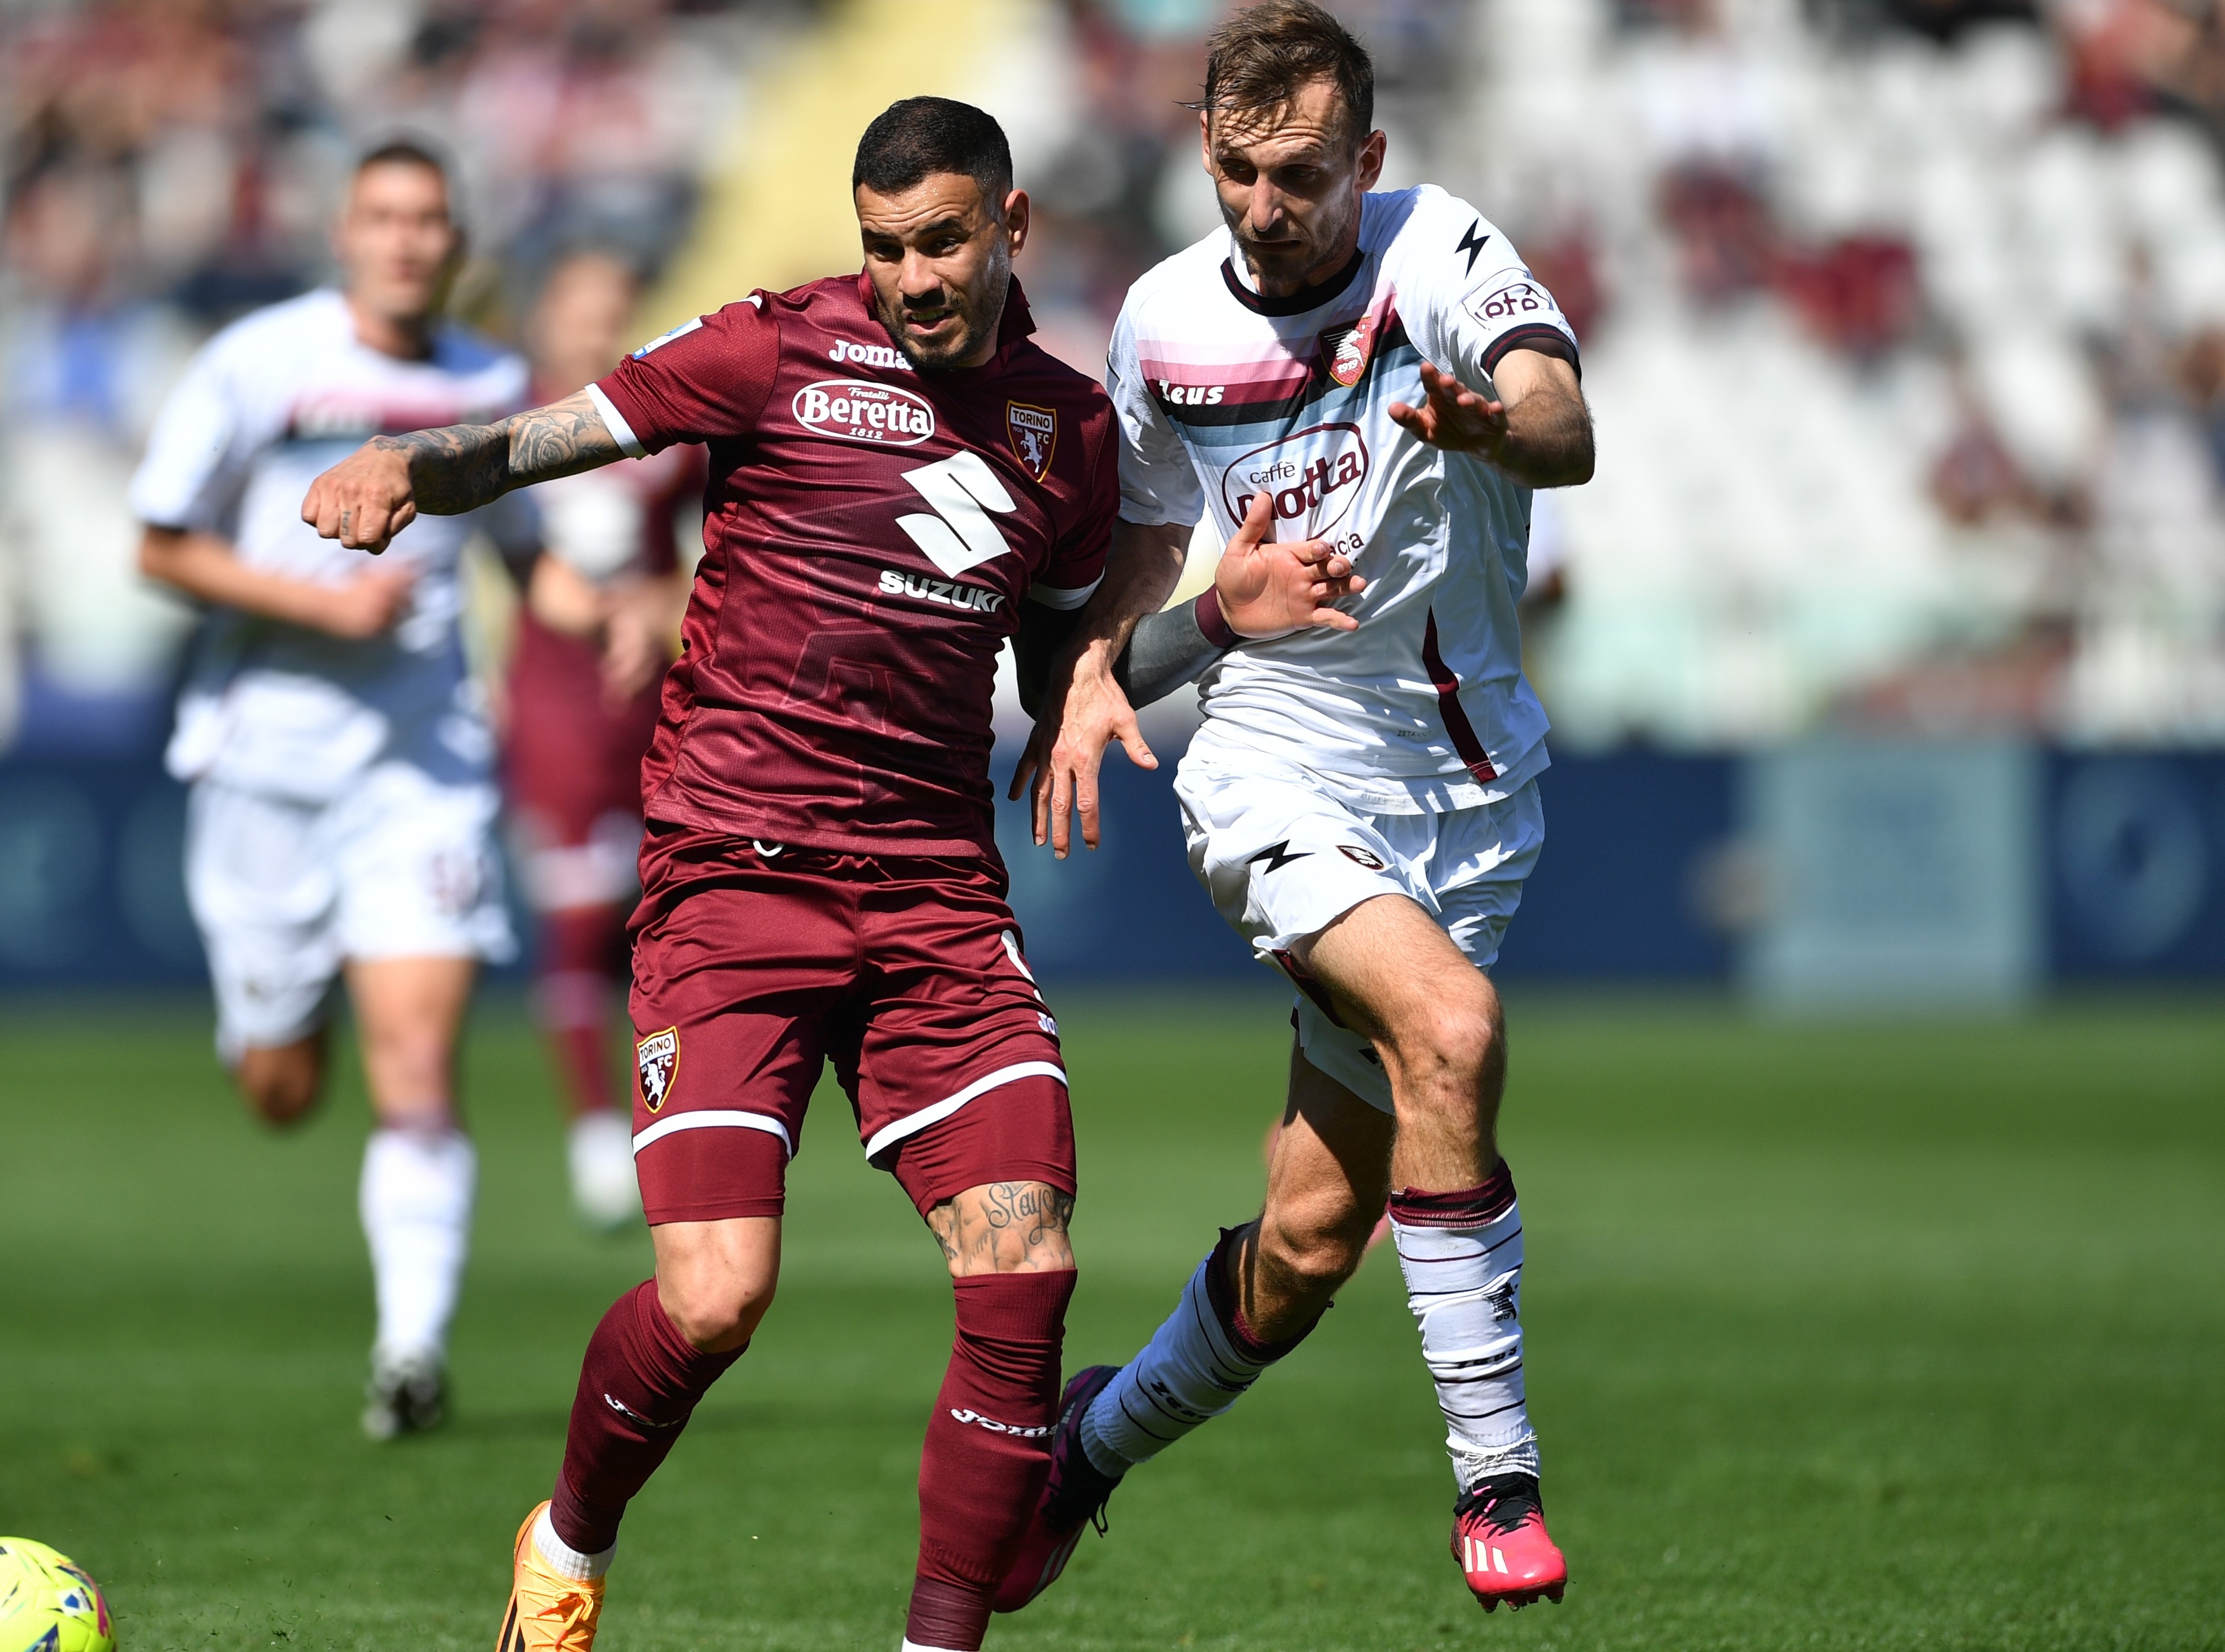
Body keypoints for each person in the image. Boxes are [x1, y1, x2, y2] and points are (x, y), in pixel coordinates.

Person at [306, 98, 1121, 1652]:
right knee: (715, 1300)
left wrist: (1161, 648)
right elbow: (568, 433)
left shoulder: (1068, 432)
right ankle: (567, 1538)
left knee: (1027, 1266)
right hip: (735, 883)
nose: (911, 280)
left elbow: (1067, 640)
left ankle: (937, 1641)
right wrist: (422, 461)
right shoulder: (773, 347)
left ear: (1012, 229)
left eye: (942, 242)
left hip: (937, 896)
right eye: (884, 249)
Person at [1008, 0, 1595, 1615]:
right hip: (1270, 760)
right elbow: (1142, 540)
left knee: (1314, 1237)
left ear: (1371, 161)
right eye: (1242, 173)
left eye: (1308, 175)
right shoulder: (1161, 320)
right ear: (1206, 153)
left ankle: (1084, 1451)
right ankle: (1498, 1483)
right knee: (1453, 1033)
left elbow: (1564, 417)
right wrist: (1098, 672)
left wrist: (1491, 421)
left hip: (1470, 794)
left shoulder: (1441, 255)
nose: (1271, 209)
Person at [127, 141, 529, 1442]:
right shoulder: (257, 360)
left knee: (417, 1065)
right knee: (282, 1089)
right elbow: (156, 539)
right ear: (346, 234)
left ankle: (408, 1355)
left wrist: (626, 610)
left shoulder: (492, 384)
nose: (409, 242)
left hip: (422, 771)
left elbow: (531, 558)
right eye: (386, 218)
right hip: (264, 764)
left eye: (431, 220)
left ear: (457, 242)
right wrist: (319, 602)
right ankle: (284, 1021)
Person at [501, 249, 699, 1232]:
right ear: (545, 318)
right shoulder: (510, 426)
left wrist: (661, 606)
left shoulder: (671, 425)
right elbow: (516, 563)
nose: (593, 329)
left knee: (662, 923)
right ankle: (592, 1133)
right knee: (579, 922)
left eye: (613, 309)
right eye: (578, 309)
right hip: (556, 706)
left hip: (662, 703)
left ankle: (670, 1121)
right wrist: (605, 612)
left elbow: (725, 552)